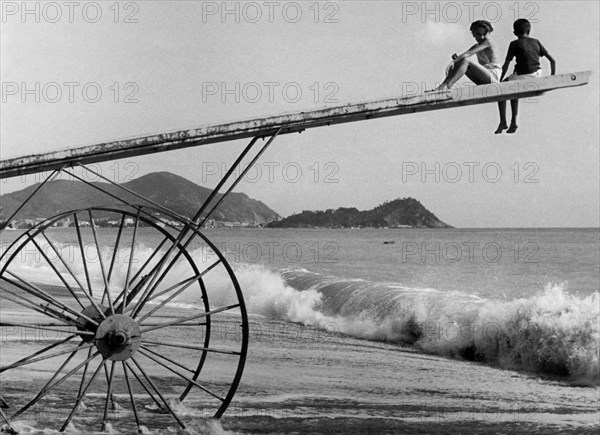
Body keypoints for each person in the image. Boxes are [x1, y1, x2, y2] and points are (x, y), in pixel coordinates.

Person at [495, 19, 556, 134]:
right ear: (529, 30)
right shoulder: (536, 42)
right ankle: (514, 121)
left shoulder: (514, 44)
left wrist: (498, 81)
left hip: (523, 76)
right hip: (537, 74)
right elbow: (552, 60)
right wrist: (552, 77)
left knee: (503, 88)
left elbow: (506, 65)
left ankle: (504, 121)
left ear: (514, 33)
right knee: (513, 87)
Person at [434, 20, 502, 91]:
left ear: (489, 33)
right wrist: (455, 60)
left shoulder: (488, 42)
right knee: (461, 62)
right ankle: (443, 86)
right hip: (483, 78)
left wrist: (454, 62)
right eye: (478, 34)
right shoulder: (476, 46)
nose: (482, 37)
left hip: (493, 76)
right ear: (473, 34)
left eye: (484, 34)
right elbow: (465, 54)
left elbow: (469, 54)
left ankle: (448, 85)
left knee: (465, 60)